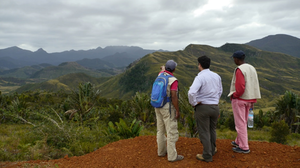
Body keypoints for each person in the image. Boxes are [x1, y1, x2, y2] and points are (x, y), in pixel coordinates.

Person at [188, 56, 223, 162]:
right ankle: (212, 149)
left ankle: (207, 155)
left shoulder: (200, 77)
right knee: (212, 129)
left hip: (203, 107)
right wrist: (214, 101)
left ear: (200, 65)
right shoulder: (216, 76)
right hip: (215, 107)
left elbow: (191, 92)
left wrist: (193, 103)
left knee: (204, 131)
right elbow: (220, 91)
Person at [228, 50, 261, 154]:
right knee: (244, 121)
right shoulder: (251, 68)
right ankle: (238, 141)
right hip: (250, 99)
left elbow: (241, 87)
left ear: (237, 59)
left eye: (234, 59)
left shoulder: (239, 69)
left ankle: (244, 147)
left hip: (240, 99)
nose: (234, 60)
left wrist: (234, 95)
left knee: (240, 123)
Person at [154, 60, 184, 162]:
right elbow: (174, 96)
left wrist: (163, 68)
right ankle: (172, 156)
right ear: (174, 69)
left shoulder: (160, 75)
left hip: (157, 105)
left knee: (160, 130)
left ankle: (161, 152)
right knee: (171, 131)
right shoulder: (173, 80)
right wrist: (177, 110)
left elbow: (162, 70)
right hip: (167, 107)